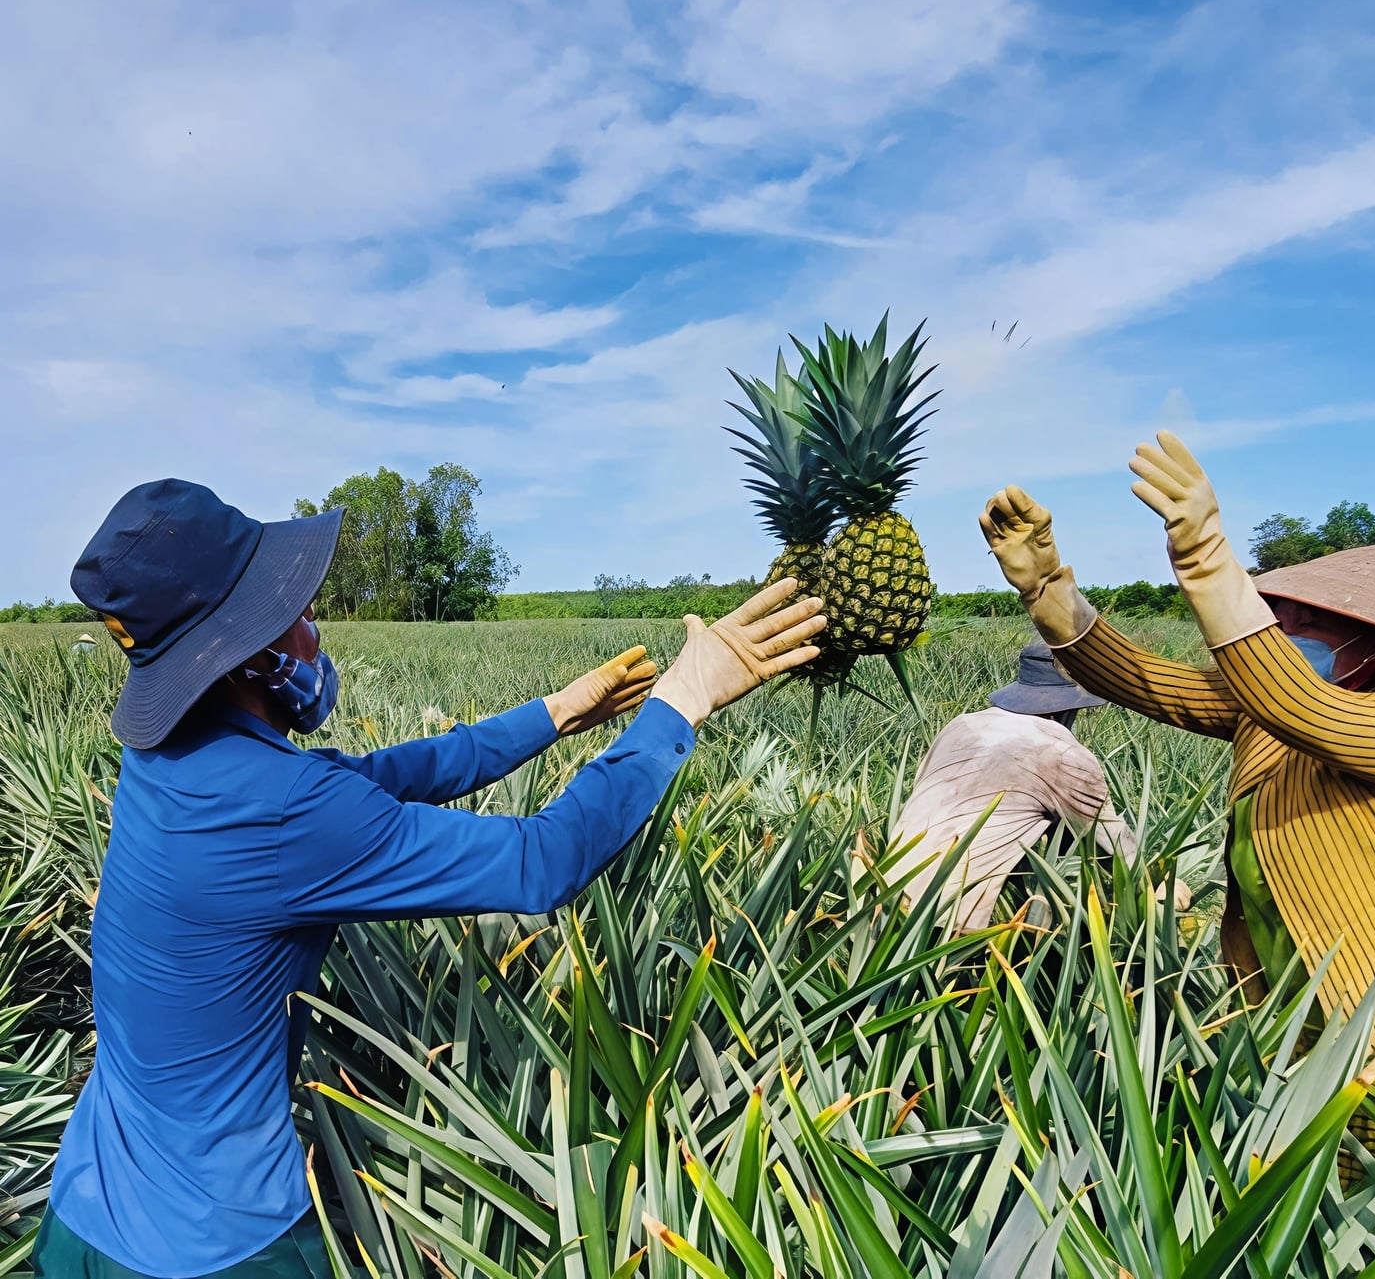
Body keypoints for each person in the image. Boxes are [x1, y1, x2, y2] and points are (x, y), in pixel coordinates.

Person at [35, 479, 824, 1277]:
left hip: (82, 1212)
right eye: (293, 614)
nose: (312, 629)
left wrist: (553, 713)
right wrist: (681, 701)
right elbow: (540, 860)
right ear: (255, 657)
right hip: (217, 1247)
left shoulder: (167, 763)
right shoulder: (289, 810)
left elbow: (370, 778)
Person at [979, 432, 1375, 1171]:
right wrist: (1045, 590)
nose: (1283, 630)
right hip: (1291, 1006)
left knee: (1371, 1211)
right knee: (1298, 1194)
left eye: (1306, 622)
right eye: (1281, 615)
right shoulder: (1267, 712)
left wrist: (1202, 552)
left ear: (1374, 643)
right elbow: (1141, 677)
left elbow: (1292, 699)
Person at [890, 640, 1188, 933]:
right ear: (1065, 709)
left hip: (880, 893)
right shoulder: (1060, 753)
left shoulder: (961, 724)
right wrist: (1159, 885)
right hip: (946, 920)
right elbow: (1111, 841)